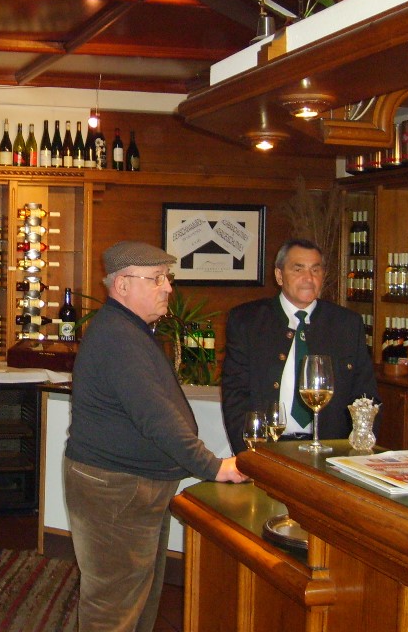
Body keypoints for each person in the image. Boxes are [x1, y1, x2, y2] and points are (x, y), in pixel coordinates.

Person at [64, 240, 248, 632]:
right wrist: (214, 467)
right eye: (157, 278)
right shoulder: (118, 337)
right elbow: (156, 418)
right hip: (118, 490)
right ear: (122, 284)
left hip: (129, 487)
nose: (168, 288)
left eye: (168, 278)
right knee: (113, 608)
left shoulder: (127, 329)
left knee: (137, 598)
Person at [221, 238, 380, 455]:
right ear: (279, 275)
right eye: (298, 269)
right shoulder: (248, 321)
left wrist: (356, 452)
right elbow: (235, 396)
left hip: (332, 452)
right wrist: (249, 454)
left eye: (315, 270)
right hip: (267, 448)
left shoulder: (346, 324)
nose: (308, 278)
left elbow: (365, 396)